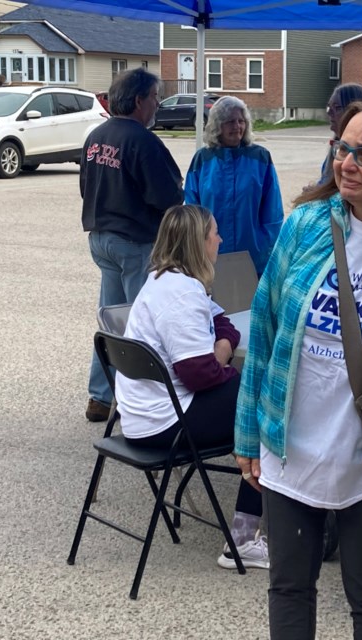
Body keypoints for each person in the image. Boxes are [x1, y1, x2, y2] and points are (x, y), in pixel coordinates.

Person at [233, 98, 362, 640]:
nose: (345, 163)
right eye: (341, 149)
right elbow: (264, 327)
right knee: (288, 588)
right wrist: (249, 433)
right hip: (291, 444)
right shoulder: (306, 223)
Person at [115, 204, 266, 568]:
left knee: (248, 395)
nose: (220, 239)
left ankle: (257, 504)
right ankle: (244, 540)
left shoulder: (164, 280)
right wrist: (227, 362)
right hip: (165, 422)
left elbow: (224, 325)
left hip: (145, 414)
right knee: (263, 407)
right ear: (198, 243)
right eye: (213, 233)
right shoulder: (181, 294)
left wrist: (222, 349)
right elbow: (200, 374)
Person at [80, 68, 184, 422]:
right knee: (140, 324)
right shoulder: (143, 141)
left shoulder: (96, 136)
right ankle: (136, 403)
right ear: (139, 100)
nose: (157, 104)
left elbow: (86, 186)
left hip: (100, 237)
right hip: (135, 241)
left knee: (111, 320)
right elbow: (168, 197)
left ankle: (100, 395)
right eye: (155, 97)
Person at [184, 96, 284, 276]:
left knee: (250, 304)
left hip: (253, 257)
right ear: (217, 125)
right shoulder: (203, 159)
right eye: (230, 121)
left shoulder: (260, 158)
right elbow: (192, 211)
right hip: (211, 258)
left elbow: (273, 213)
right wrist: (199, 246)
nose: (237, 127)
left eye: (241, 121)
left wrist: (263, 247)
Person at [318, 84, 362, 185]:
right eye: (329, 107)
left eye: (337, 108)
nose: (329, 112)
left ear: (355, 112)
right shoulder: (335, 149)